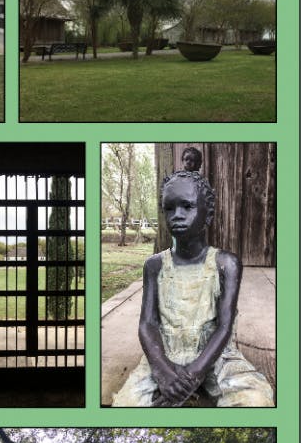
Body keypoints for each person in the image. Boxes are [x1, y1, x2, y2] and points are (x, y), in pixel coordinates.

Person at [112, 170, 274, 408]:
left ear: (207, 215)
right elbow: (147, 324)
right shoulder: (155, 265)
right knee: (127, 403)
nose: (177, 215)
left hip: (215, 356)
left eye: (187, 207)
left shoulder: (226, 264)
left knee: (255, 399)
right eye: (169, 208)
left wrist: (193, 375)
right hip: (165, 354)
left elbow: (224, 326)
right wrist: (164, 371)